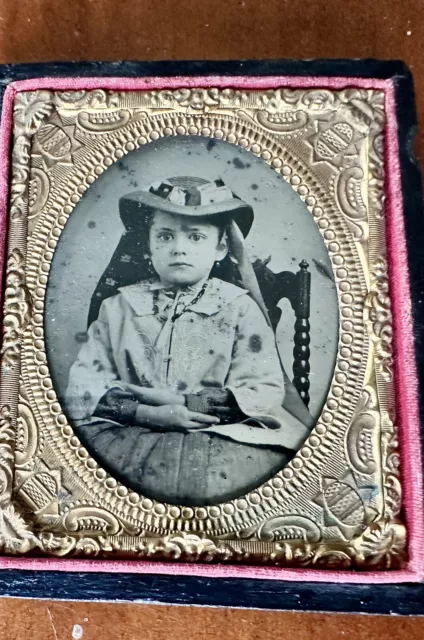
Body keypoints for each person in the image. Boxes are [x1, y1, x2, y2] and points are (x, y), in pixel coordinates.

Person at [65, 176, 313, 506]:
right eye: (165, 236)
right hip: (128, 430)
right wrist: (147, 414)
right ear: (149, 244)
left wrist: (189, 407)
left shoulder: (239, 308)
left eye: (195, 237)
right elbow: (82, 387)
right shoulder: (118, 308)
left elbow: (263, 389)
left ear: (221, 248)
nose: (178, 247)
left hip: (219, 435)